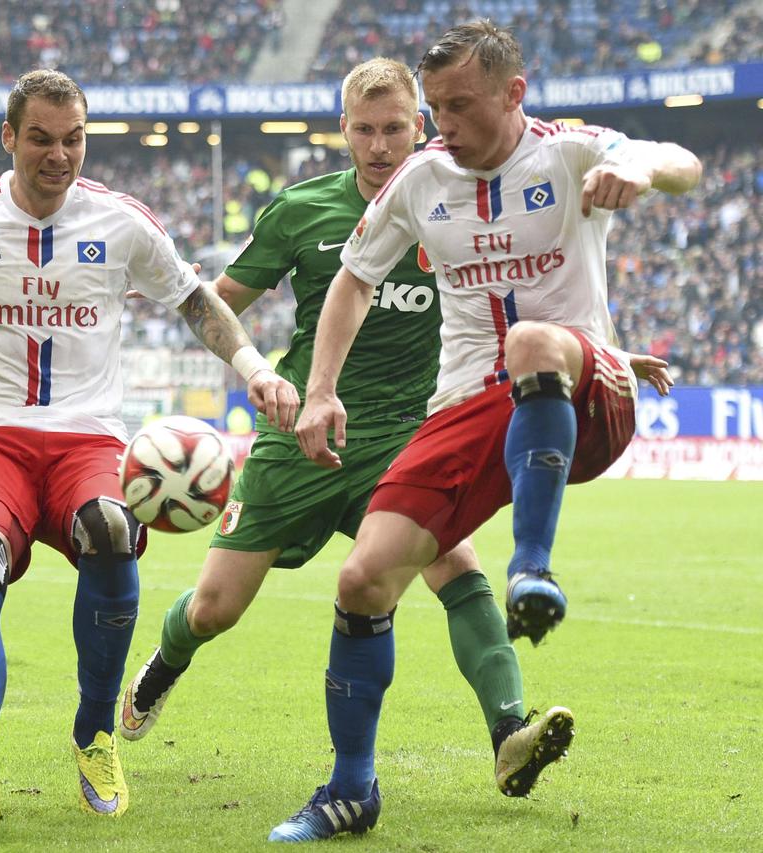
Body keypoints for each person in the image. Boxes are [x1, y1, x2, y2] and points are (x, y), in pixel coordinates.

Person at [0, 69, 298, 833]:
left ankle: (93, 734)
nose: (60, 155)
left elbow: (193, 298)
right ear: (10, 137)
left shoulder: (121, 221)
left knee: (113, 533)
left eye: (74, 139)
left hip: (90, 439)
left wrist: (253, 368)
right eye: (43, 139)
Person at [283, 21, 696, 840]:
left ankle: (532, 569)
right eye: (434, 107)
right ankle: (351, 788)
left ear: (515, 93)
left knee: (530, 342)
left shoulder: (569, 150)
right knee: (363, 578)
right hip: (469, 412)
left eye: (460, 106)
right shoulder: (420, 179)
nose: (443, 125)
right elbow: (352, 281)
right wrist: (319, 390)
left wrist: (633, 165)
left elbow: (677, 159)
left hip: (581, 395)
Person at [120, 54, 567, 805]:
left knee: (457, 567)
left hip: (403, 434)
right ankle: (164, 664)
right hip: (297, 432)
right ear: (343, 132)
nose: (381, 144)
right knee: (214, 608)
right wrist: (194, 295)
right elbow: (224, 299)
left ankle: (509, 732)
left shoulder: (452, 204)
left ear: (420, 125)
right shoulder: (300, 211)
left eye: (396, 127)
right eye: (365, 129)